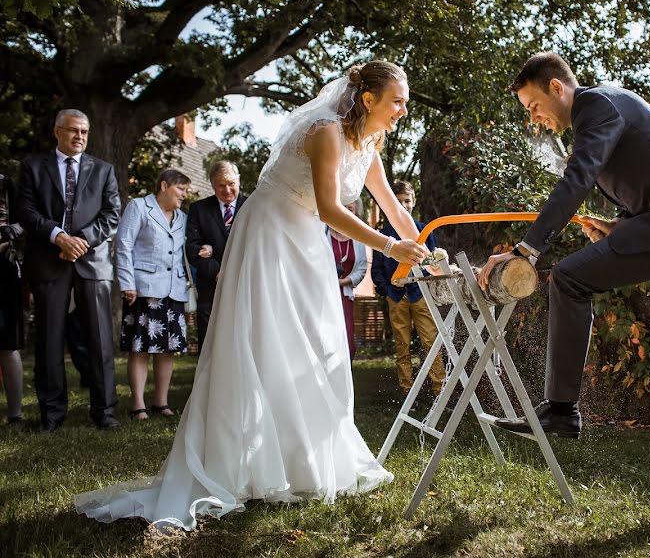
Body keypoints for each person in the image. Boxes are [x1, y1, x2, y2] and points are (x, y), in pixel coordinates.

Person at [74, 60, 429, 531]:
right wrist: (388, 246)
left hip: (307, 243)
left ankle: (306, 458)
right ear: (368, 100)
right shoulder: (325, 132)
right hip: (270, 235)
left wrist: (426, 251)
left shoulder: (370, 144)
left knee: (319, 345)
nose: (403, 110)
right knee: (267, 343)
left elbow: (388, 204)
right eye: (398, 101)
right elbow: (329, 207)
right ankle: (249, 464)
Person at [480, 52, 650, 512]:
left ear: (556, 88)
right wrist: (618, 227)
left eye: (532, 106)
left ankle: (561, 409)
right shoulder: (604, 113)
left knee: (568, 278)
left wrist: (527, 249)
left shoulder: (599, 106)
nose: (535, 118)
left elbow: (577, 179)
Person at [17, 109, 120, 432]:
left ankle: (104, 412)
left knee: (101, 339)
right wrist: (58, 237)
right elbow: (26, 211)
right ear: (57, 131)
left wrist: (82, 241)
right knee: (49, 339)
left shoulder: (103, 170)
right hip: (49, 260)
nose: (79, 136)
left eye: (84, 132)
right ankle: (52, 414)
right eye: (73, 130)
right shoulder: (33, 168)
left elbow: (112, 214)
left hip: (92, 262)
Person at [116, 169, 192, 421]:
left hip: (174, 291)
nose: (184, 194)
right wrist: (127, 283)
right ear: (163, 186)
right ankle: (137, 404)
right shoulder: (139, 207)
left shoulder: (183, 218)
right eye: (181, 189)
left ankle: (161, 402)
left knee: (167, 349)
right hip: (143, 289)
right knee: (140, 349)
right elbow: (123, 244)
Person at [371, 180, 446, 398]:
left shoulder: (424, 230)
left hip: (421, 294)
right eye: (398, 201)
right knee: (402, 344)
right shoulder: (384, 235)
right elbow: (377, 267)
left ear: (414, 202)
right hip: (396, 295)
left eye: (407, 200)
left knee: (430, 340)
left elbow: (434, 260)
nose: (403, 205)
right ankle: (407, 390)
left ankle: (438, 389)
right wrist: (386, 289)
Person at [185, 161, 247, 352]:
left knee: (242, 333)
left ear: (238, 181)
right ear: (212, 185)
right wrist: (218, 271)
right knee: (210, 339)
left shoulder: (251, 206)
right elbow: (193, 248)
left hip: (245, 282)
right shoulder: (199, 209)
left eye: (231, 183)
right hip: (210, 286)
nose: (227, 189)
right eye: (221, 185)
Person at [326, 198, 368, 359]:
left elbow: (362, 268)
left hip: (345, 295)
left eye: (350, 208)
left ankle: (345, 378)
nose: (345, 211)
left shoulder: (358, 237)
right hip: (323, 294)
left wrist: (343, 282)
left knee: (348, 343)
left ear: (356, 212)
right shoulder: (323, 233)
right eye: (342, 207)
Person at [0, 174, 25, 426]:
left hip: (4, 270)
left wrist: (9, 230)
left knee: (8, 342)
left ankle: (15, 413)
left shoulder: (7, 185)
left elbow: (23, 221)